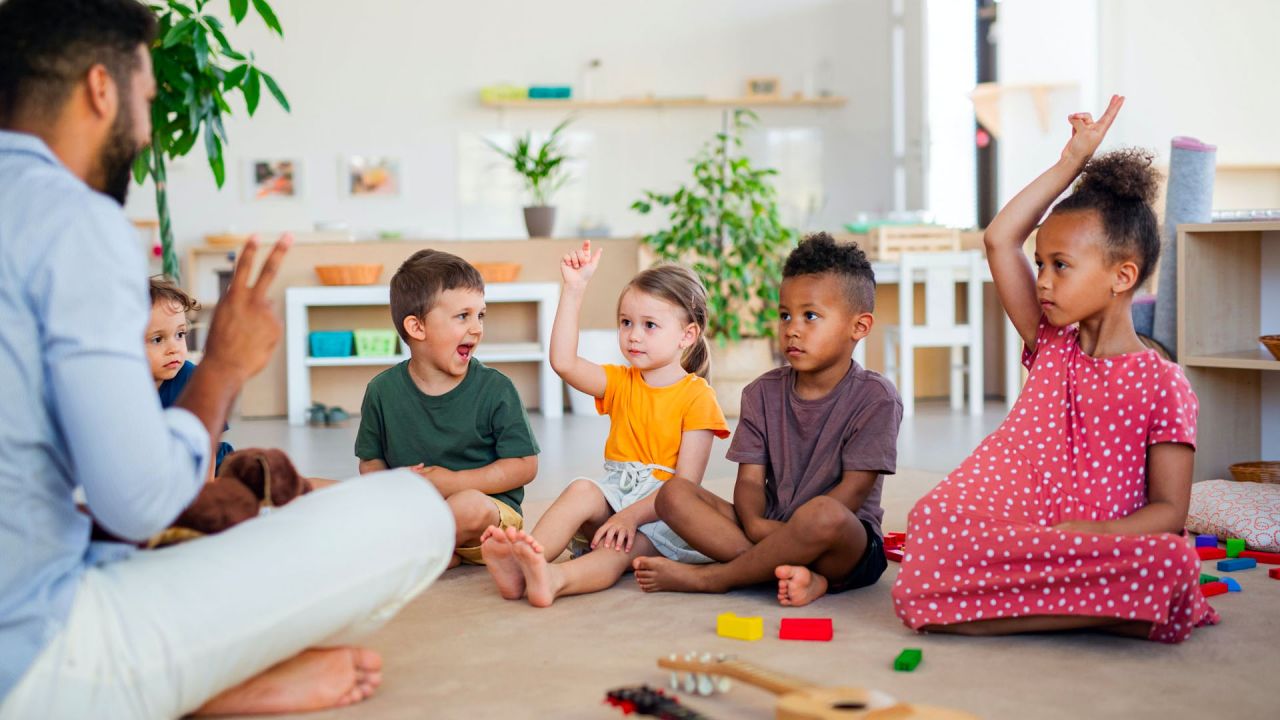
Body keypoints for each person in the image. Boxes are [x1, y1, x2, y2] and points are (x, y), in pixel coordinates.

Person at [0, 2, 454, 717]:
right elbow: (138, 503)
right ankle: (203, 686)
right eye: (147, 99)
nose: (145, 131)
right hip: (32, 660)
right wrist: (223, 366)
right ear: (101, 89)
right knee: (414, 512)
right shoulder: (72, 219)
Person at [890, 96, 1217, 642]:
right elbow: (1000, 238)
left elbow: (1168, 510)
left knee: (1175, 560)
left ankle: (981, 612)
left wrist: (1093, 531)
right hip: (1026, 530)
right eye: (1040, 263)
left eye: (1060, 266)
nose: (1042, 280)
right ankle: (1107, 611)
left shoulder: (1164, 383)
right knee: (929, 522)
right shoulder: (1050, 341)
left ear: (1122, 276)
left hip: (1103, 539)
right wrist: (1072, 162)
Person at [631, 233, 902, 605]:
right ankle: (794, 573)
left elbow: (853, 494)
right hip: (766, 527)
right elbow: (750, 481)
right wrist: (756, 524)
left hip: (842, 545)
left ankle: (717, 578)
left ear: (859, 326)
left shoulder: (877, 397)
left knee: (824, 513)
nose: (792, 328)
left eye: (810, 316)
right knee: (673, 494)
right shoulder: (761, 392)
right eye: (784, 315)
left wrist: (789, 532)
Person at [481, 240, 729, 607]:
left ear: (687, 335)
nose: (633, 335)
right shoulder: (621, 381)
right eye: (626, 322)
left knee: (619, 550)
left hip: (663, 515)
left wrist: (629, 517)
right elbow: (564, 362)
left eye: (649, 325)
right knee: (582, 488)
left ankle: (556, 580)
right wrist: (574, 289)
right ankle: (524, 566)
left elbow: (685, 486)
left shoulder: (697, 396)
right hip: (616, 497)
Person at [355, 249, 540, 567]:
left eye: (480, 315)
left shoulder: (496, 389)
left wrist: (453, 482)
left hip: (487, 519)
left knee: (468, 505)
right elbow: (371, 463)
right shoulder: (381, 391)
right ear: (417, 328)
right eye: (463, 316)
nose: (477, 328)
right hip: (417, 511)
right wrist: (395, 484)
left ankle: (415, 548)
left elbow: (525, 465)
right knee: (328, 492)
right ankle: (436, 549)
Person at [147, 276, 232, 475]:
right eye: (158, 339)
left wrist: (207, 490)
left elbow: (208, 445)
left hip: (213, 468)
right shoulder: (124, 388)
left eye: (180, 334)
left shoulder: (193, 380)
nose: (174, 348)